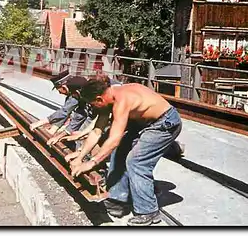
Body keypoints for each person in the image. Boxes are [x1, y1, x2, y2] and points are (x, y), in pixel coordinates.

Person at [67, 80, 182, 226]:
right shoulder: (108, 97)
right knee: (120, 150)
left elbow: (113, 139)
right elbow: (97, 131)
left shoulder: (121, 101)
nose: (93, 107)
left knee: (137, 162)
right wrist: (80, 157)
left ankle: (148, 211)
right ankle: (118, 201)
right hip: (144, 123)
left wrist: (92, 163)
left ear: (99, 99)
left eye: (93, 104)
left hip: (164, 124)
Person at [30, 73, 91, 148]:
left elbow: (64, 112)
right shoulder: (76, 91)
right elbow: (73, 114)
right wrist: (54, 130)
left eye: (58, 89)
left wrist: (41, 122)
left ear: (64, 87)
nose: (59, 92)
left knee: (81, 136)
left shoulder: (78, 93)